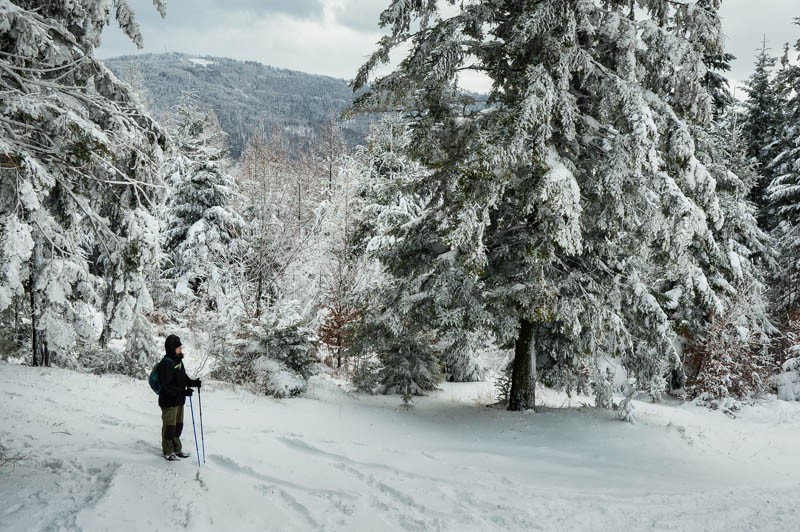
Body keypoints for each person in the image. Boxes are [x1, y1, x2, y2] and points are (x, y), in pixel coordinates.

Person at [158, 334, 201, 461]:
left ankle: (177, 449)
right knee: (169, 428)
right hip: (169, 402)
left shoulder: (178, 361)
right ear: (172, 348)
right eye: (179, 348)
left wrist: (193, 383)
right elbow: (167, 386)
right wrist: (183, 393)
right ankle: (168, 451)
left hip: (178, 401)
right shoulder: (166, 363)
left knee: (178, 427)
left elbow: (183, 378)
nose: (181, 350)